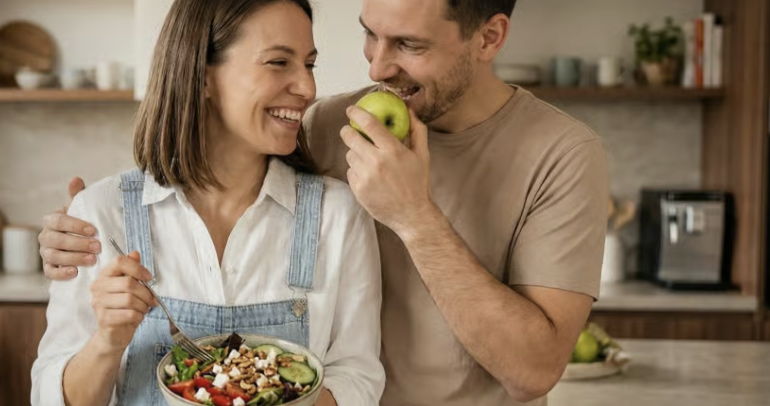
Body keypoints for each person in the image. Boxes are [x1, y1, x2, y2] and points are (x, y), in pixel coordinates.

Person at [38, 0, 608, 405]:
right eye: (370, 34)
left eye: (409, 45)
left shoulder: (562, 154)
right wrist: (84, 226)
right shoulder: (330, 123)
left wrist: (413, 216)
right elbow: (201, 153)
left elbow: (533, 371)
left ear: (489, 37)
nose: (377, 68)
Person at [30, 1, 386, 405]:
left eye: (309, 65)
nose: (307, 88)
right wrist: (107, 342)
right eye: (278, 62)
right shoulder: (99, 215)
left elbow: (358, 379)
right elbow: (48, 398)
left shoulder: (337, 216)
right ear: (202, 75)